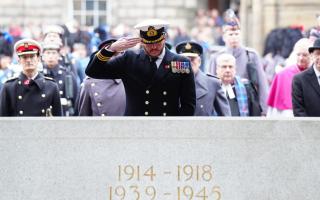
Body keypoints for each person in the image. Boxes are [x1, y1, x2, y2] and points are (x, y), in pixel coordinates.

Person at [85, 19, 196, 116]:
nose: (153, 47)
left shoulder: (180, 62)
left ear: (165, 38)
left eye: (158, 42)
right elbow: (93, 71)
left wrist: (178, 128)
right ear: (142, 42)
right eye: (149, 43)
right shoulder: (129, 59)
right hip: (135, 127)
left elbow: (188, 104)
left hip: (167, 127)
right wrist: (111, 49)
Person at [208, 11, 268, 115]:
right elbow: (210, 83)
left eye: (237, 34)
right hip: (222, 100)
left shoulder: (251, 55)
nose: (234, 37)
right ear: (224, 37)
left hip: (245, 100)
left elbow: (262, 84)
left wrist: (263, 110)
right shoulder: (216, 57)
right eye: (230, 34)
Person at [0, 39, 62, 116]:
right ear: (19, 60)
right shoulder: (9, 87)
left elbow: (58, 120)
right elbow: (3, 121)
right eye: (24, 57)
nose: (28, 60)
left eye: (32, 56)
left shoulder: (51, 86)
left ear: (38, 59)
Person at [175, 41, 230, 116]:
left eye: (192, 59)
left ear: (199, 62)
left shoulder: (212, 83)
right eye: (184, 59)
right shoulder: (170, 82)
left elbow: (226, 117)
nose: (188, 62)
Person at [77, 39, 126, 116]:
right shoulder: (90, 82)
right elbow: (84, 115)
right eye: (110, 55)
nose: (113, 58)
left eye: (117, 55)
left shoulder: (130, 78)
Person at [267, 38, 312, 117]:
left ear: (311, 55)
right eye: (298, 54)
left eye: (305, 55)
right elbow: (272, 111)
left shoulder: (315, 75)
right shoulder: (282, 75)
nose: (301, 58)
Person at [41, 42, 78, 116]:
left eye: (54, 53)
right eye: (48, 53)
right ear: (43, 56)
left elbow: (76, 100)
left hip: (64, 114)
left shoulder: (67, 75)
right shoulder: (39, 75)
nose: (50, 56)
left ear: (59, 56)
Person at [292, 38, 320, 116]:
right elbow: (298, 110)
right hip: (309, 126)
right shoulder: (299, 80)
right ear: (311, 55)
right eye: (317, 54)